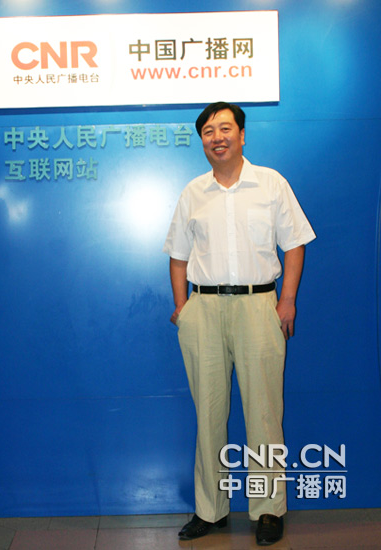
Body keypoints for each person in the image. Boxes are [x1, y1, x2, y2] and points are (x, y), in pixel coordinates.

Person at [163, 102, 315, 546]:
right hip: (204, 311)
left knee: (264, 412)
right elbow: (178, 255)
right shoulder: (193, 192)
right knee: (209, 414)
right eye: (209, 131)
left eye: (225, 128)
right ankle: (210, 511)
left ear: (242, 135)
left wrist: (287, 300)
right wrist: (182, 308)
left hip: (259, 306)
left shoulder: (270, 184)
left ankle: (268, 509)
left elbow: (295, 244)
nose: (218, 137)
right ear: (202, 141)